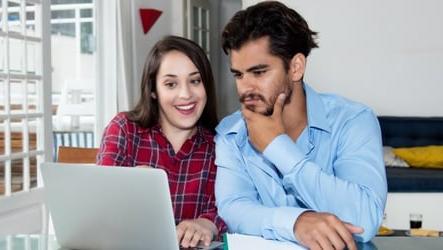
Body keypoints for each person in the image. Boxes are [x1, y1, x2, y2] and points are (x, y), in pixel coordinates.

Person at [214, 2, 387, 250]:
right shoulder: (231, 133)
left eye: (259, 72)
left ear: (296, 67)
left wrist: (276, 147)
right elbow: (234, 209)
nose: (245, 88)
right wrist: (296, 223)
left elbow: (364, 219)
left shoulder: (353, 120)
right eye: (239, 75)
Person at [97, 35, 226, 248]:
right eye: (171, 84)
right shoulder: (123, 129)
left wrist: (207, 223)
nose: (185, 94)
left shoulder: (221, 145)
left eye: (195, 81)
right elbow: (98, 204)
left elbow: (231, 208)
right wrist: (125, 187)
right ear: (153, 91)